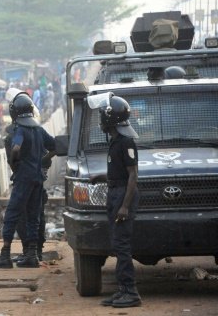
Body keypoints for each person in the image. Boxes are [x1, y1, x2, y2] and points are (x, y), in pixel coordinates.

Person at [0, 90, 55, 269]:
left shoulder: (20, 129)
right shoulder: (39, 129)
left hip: (23, 178)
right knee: (33, 216)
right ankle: (32, 255)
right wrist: (43, 160)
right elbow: (56, 146)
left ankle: (5, 255)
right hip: (38, 178)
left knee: (11, 215)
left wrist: (17, 165)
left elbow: (16, 148)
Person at [87, 93, 141, 308]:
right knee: (118, 246)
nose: (100, 120)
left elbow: (133, 177)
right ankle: (123, 291)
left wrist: (125, 206)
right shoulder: (116, 141)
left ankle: (131, 293)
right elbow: (119, 173)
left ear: (110, 118)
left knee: (122, 246)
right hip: (115, 192)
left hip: (122, 196)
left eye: (102, 116)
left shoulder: (126, 142)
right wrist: (101, 178)